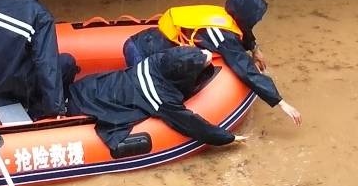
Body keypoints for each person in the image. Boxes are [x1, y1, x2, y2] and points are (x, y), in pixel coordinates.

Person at [123, 0, 302, 126]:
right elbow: (246, 70)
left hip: (146, 41)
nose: (257, 21)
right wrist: (280, 102)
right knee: (152, 102)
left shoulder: (226, 15)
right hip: (142, 52)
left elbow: (242, 32)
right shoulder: (221, 35)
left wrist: (254, 48)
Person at [66, 46, 248, 152]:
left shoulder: (156, 59)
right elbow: (191, 124)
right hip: (84, 104)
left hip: (86, 86)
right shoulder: (162, 98)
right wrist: (228, 138)